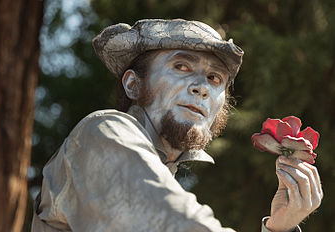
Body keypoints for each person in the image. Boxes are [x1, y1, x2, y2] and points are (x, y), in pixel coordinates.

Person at [31, 19, 323, 232]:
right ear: (133, 84)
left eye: (215, 78)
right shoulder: (103, 132)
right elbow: (177, 224)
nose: (202, 87)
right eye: (181, 67)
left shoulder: (163, 175)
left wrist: (278, 227)